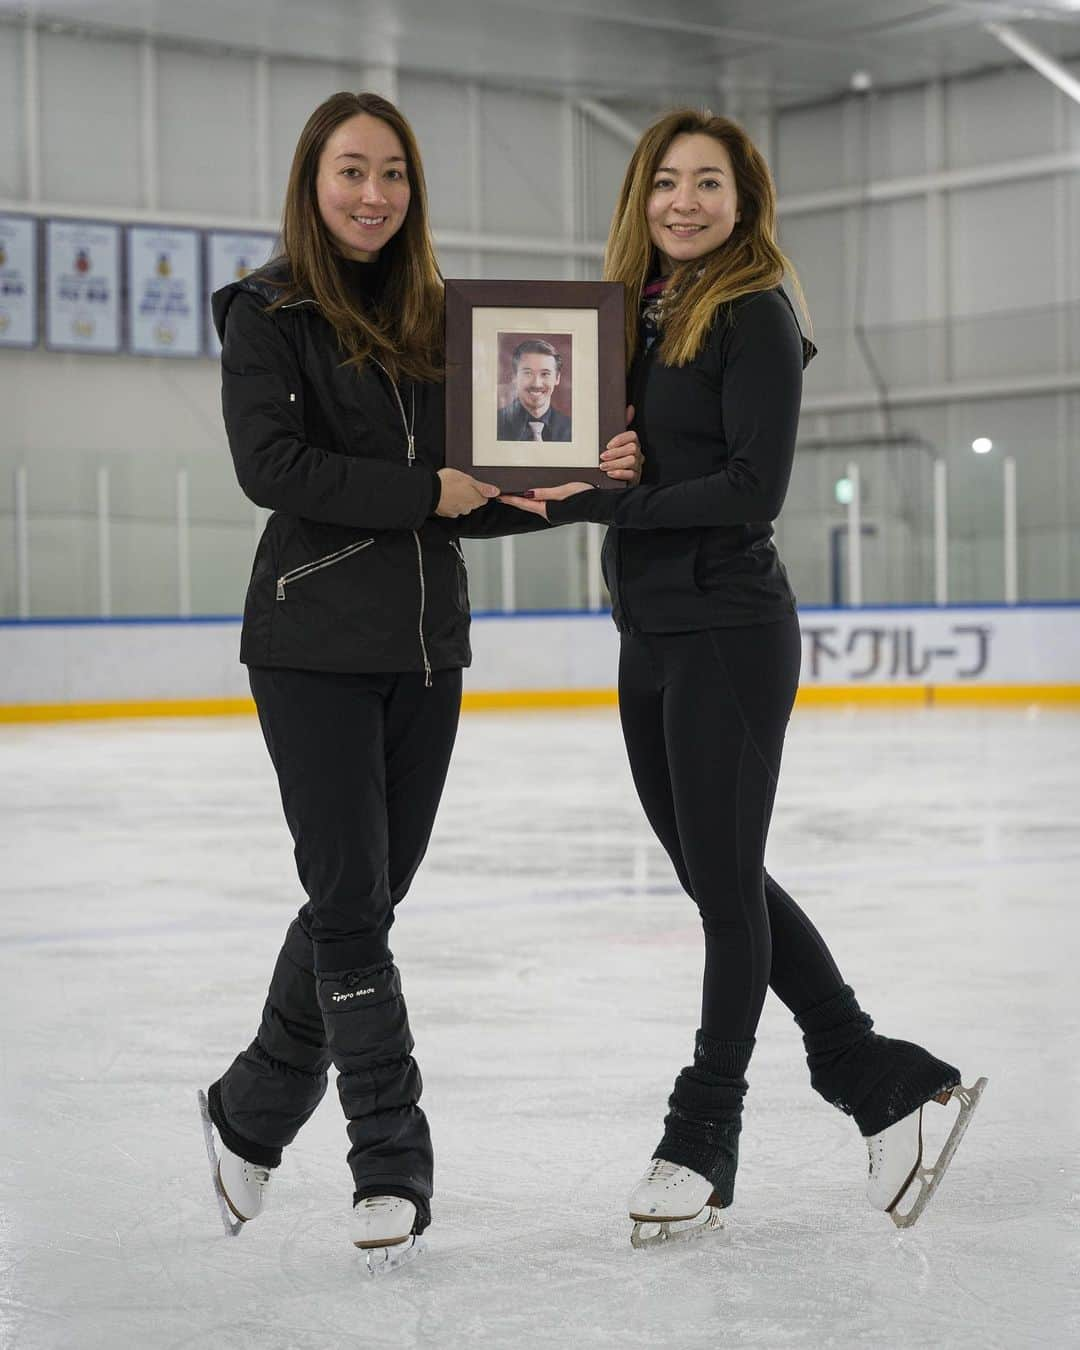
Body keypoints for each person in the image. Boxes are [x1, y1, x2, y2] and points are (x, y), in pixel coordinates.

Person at [501, 109, 985, 1245]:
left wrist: (623, 496)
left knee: (723, 883)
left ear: (745, 200)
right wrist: (514, 486)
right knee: (718, 872)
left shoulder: (754, 313)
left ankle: (703, 1130)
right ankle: (877, 1076)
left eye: (708, 184)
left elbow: (752, 488)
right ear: (640, 197)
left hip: (727, 626)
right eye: (665, 182)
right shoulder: (636, 318)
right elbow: (598, 463)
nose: (683, 201)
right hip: (649, 628)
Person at [198, 90, 641, 1267]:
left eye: (393, 173)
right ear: (313, 180)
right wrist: (426, 493)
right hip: (310, 647)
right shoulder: (267, 310)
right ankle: (389, 1160)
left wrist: (582, 483)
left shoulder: (440, 320)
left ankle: (248, 1107)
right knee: (350, 902)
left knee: (367, 898)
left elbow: (473, 499)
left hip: (427, 651)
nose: (373, 193)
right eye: (351, 170)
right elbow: (271, 465)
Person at [495, 338, 572, 442]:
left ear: (557, 378)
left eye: (545, 374)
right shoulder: (493, 425)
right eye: (528, 373)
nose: (536, 383)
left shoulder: (572, 429)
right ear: (514, 377)